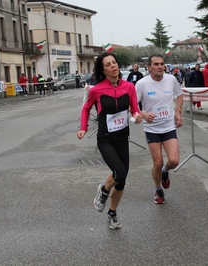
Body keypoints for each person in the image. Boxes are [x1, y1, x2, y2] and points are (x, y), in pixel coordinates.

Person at [77, 52, 142, 229]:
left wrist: (137, 116)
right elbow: (86, 108)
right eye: (108, 64)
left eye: (114, 63)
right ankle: (104, 191)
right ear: (103, 70)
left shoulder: (129, 87)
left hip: (122, 137)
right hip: (105, 139)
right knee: (119, 172)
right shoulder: (96, 90)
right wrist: (83, 127)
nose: (113, 66)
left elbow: (134, 108)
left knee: (121, 180)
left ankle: (112, 213)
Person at [136, 54, 183, 204]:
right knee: (157, 162)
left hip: (169, 126)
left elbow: (180, 95)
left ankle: (165, 171)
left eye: (162, 64)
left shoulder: (171, 80)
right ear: (149, 67)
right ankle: (158, 189)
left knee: (174, 161)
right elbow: (132, 105)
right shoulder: (142, 84)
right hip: (152, 129)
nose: (159, 66)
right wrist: (143, 114)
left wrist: (178, 112)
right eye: (156, 64)